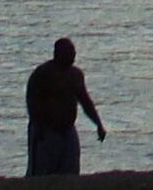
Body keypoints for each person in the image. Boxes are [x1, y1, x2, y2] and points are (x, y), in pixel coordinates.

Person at [25, 36, 105, 176]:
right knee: (41, 172)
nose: (72, 55)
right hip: (46, 129)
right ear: (57, 54)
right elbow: (32, 101)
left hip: (68, 128)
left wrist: (98, 124)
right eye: (68, 52)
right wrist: (39, 126)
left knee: (71, 169)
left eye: (73, 52)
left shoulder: (76, 75)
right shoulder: (43, 73)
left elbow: (85, 101)